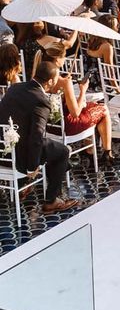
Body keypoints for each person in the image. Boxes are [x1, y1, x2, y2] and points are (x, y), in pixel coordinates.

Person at [0, 62, 79, 213]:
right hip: (20, 157)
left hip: (3, 151)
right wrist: (32, 166)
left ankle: (26, 184)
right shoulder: (41, 100)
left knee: (52, 149)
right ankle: (51, 201)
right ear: (50, 81)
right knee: (63, 151)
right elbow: (36, 136)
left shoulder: (14, 88)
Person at [38, 43, 114, 165]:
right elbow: (75, 113)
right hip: (68, 127)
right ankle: (107, 152)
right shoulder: (64, 82)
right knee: (103, 109)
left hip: (49, 126)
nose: (65, 59)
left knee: (91, 106)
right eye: (64, 57)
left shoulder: (39, 78)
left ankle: (90, 149)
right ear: (57, 59)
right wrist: (83, 90)